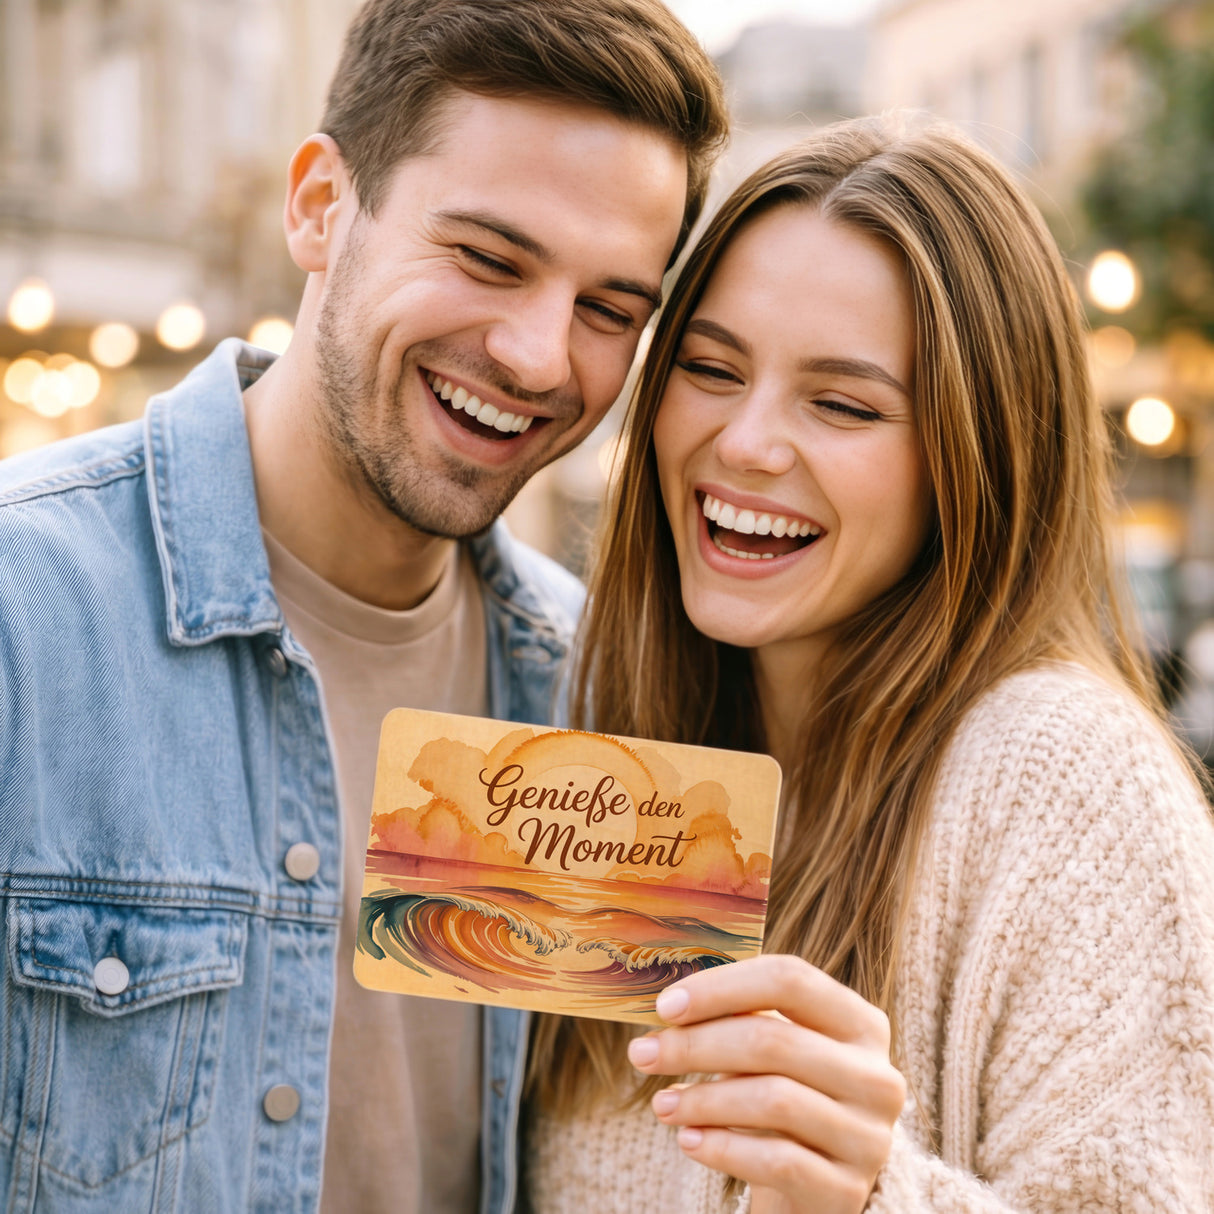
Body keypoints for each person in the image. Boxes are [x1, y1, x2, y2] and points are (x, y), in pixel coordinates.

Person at [0, 2, 727, 1211]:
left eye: (609, 308)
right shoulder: (26, 611)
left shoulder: (596, 693)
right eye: (488, 257)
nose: (541, 356)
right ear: (320, 207)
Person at [523, 115, 1214, 1213]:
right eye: (708, 367)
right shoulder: (621, 739)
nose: (746, 441)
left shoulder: (1068, 783)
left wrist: (869, 1193)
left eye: (840, 403)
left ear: (972, 455)